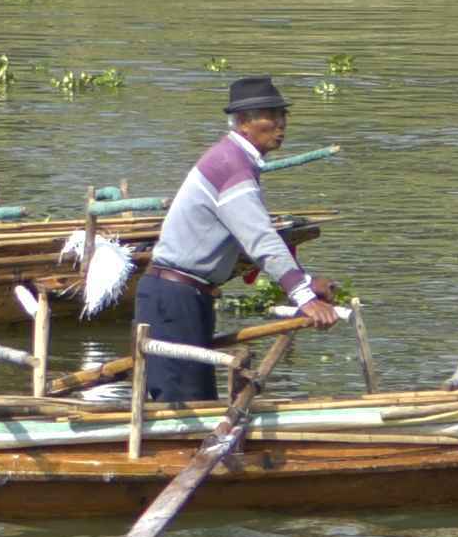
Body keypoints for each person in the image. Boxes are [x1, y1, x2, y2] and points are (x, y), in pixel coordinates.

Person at [140, 74, 328, 411]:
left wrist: (305, 282)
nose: (281, 124)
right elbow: (260, 239)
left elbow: (247, 241)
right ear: (243, 123)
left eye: (283, 115)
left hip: (186, 297)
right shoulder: (231, 165)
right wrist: (303, 297)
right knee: (184, 413)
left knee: (196, 406)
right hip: (174, 299)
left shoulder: (237, 161)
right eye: (271, 116)